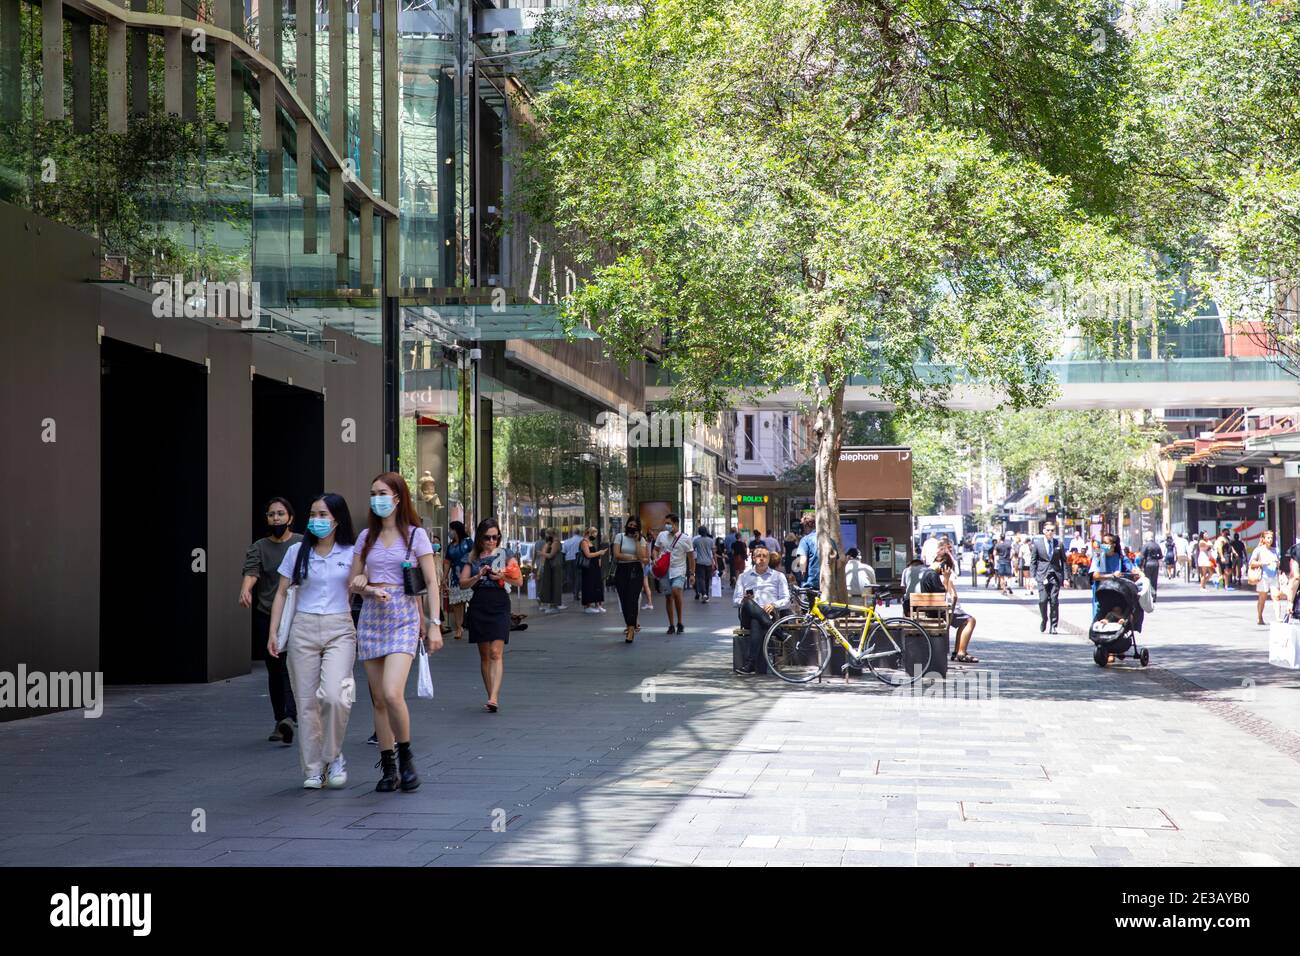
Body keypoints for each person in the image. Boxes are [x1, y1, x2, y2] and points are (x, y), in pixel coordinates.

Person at [349, 472, 442, 793]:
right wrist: (362, 584)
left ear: (398, 498)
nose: (377, 498)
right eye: (373, 493)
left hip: (403, 617)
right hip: (372, 618)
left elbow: (431, 582)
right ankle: (388, 766)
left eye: (383, 493)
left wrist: (434, 624)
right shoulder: (365, 538)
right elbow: (354, 581)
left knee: (391, 693)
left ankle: (406, 757)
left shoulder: (416, 536)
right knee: (377, 700)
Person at [268, 493, 358, 790]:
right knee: (306, 703)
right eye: (312, 514)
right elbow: (282, 592)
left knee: (335, 695)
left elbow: (367, 583)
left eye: (323, 515)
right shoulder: (297, 551)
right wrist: (274, 632)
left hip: (340, 627)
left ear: (337, 519)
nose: (316, 520)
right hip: (302, 628)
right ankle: (313, 769)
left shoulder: (352, 552)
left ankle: (334, 757)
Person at [240, 496, 301, 745]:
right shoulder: (259, 546)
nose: (276, 518)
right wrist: (245, 589)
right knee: (275, 668)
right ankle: (282, 720)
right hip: (268, 615)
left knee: (292, 665)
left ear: (290, 518)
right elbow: (251, 571)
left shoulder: (301, 544)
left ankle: (291, 715)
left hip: (297, 615)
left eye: (280, 514)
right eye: (271, 514)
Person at [460, 517, 511, 712]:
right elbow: (463, 583)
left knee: (495, 652)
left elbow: (519, 581)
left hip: (499, 603)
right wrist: (477, 575)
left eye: (495, 537)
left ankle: (494, 697)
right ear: (480, 538)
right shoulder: (471, 558)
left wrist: (502, 576)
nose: (492, 542)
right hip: (479, 604)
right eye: (488, 538)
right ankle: (491, 695)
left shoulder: (505, 554)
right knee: (484, 655)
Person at [732, 545, 790, 674]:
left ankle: (750, 664)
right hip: (747, 614)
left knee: (756, 621)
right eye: (759, 556)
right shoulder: (743, 577)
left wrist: (774, 604)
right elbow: (735, 601)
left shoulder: (778, 576)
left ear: (769, 559)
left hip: (770, 615)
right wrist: (743, 600)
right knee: (748, 602)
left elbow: (786, 600)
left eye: (765, 556)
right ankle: (779, 632)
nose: (762, 559)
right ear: (753, 558)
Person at [911, 551, 978, 663]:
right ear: (942, 564)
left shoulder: (927, 573)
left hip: (933, 610)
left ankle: (958, 652)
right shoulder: (932, 575)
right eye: (946, 568)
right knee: (970, 620)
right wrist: (946, 578)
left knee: (964, 621)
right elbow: (943, 595)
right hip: (937, 612)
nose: (944, 573)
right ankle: (961, 652)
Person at [654, 513, 695, 634]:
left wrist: (692, 574)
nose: (667, 526)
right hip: (665, 571)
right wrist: (655, 558)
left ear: (676, 524)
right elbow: (655, 550)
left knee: (676, 591)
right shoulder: (662, 535)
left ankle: (680, 621)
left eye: (669, 523)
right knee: (668, 597)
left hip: (679, 570)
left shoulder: (685, 539)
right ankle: (671, 624)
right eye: (665, 523)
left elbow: (691, 557)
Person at [1089, 531, 1143, 620]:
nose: (1103, 545)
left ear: (1113, 545)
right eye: (1102, 543)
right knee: (1099, 617)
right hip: (1101, 592)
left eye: (1106, 543)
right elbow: (1095, 575)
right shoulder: (1100, 556)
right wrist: (1112, 575)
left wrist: (1140, 573)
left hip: (1117, 591)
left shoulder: (1120, 558)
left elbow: (1133, 569)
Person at [612, 517, 646, 642]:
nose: (632, 527)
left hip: (636, 571)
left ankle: (631, 629)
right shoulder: (619, 537)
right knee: (624, 600)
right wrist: (633, 557)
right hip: (621, 571)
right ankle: (629, 624)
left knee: (633, 599)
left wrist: (637, 541)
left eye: (634, 525)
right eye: (630, 524)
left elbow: (642, 557)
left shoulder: (641, 539)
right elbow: (617, 554)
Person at [1030, 522, 1066, 634]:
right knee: (1043, 600)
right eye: (1048, 530)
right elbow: (1033, 561)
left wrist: (1066, 578)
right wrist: (1032, 577)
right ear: (1044, 531)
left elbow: (1064, 562)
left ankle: (1054, 625)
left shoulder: (1058, 544)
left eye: (1052, 530)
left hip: (1055, 575)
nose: (1050, 532)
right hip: (1042, 575)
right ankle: (1044, 619)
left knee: (1054, 601)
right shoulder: (1038, 544)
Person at [445, 521, 473, 639]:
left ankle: (473, 626)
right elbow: (447, 562)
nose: (450, 532)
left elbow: (475, 556)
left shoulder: (468, 542)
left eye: (451, 529)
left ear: (456, 530)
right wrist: (444, 577)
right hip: (455, 578)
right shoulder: (450, 546)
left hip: (470, 577)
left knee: (472, 602)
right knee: (457, 604)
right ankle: (459, 627)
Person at [1249, 530, 1281, 627]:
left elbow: (1278, 563)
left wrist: (1277, 563)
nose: (1270, 540)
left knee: (1276, 597)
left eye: (1271, 538)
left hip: (1274, 576)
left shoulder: (1275, 550)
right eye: (1268, 538)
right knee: (1262, 598)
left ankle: (1278, 617)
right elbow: (1252, 562)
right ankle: (1260, 616)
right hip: (1263, 577)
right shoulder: (1258, 550)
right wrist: (1263, 563)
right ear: (1263, 539)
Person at [580, 526, 609, 613]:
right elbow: (588, 555)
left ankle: (598, 604)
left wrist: (599, 557)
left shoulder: (590, 542)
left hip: (594, 566)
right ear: (588, 533)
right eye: (594, 533)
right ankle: (587, 605)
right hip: (588, 567)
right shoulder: (584, 542)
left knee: (596, 584)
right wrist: (599, 553)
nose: (595, 535)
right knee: (589, 584)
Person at [536, 528, 565, 614]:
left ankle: (554, 604)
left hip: (555, 566)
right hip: (551, 566)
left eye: (547, 534)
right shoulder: (551, 542)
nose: (546, 536)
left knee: (555, 585)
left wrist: (542, 553)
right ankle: (551, 604)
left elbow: (551, 555)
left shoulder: (556, 543)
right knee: (551, 585)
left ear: (550, 534)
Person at [796, 514, 820, 592]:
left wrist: (801, 577)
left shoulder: (805, 540)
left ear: (806, 526)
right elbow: (838, 563)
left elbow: (803, 562)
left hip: (811, 584)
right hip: (828, 584)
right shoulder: (830, 540)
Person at [692, 525, 716, 603]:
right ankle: (706, 595)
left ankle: (704, 593)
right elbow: (713, 552)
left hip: (699, 562)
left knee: (701, 578)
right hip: (708, 562)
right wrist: (714, 562)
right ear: (706, 532)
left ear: (699, 532)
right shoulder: (710, 540)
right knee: (707, 579)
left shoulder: (696, 541)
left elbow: (692, 549)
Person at [1140, 531, 1163, 604]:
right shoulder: (1157, 545)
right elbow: (1161, 556)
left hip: (1148, 564)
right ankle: (1154, 595)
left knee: (1147, 580)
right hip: (1155, 563)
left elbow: (1142, 556)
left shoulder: (1146, 545)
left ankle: (1149, 596)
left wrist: (1140, 566)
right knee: (1154, 580)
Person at [562, 528, 584, 603]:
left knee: (570, 577)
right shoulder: (582, 540)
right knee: (578, 576)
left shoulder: (567, 541)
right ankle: (576, 592)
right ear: (579, 532)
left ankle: (574, 591)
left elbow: (563, 552)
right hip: (578, 560)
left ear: (573, 533)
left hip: (568, 560)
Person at [641, 528, 657, 611]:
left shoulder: (644, 543)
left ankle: (650, 603)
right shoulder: (647, 543)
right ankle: (650, 603)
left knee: (645, 584)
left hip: (644, 565)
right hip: (646, 564)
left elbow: (646, 556)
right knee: (645, 584)